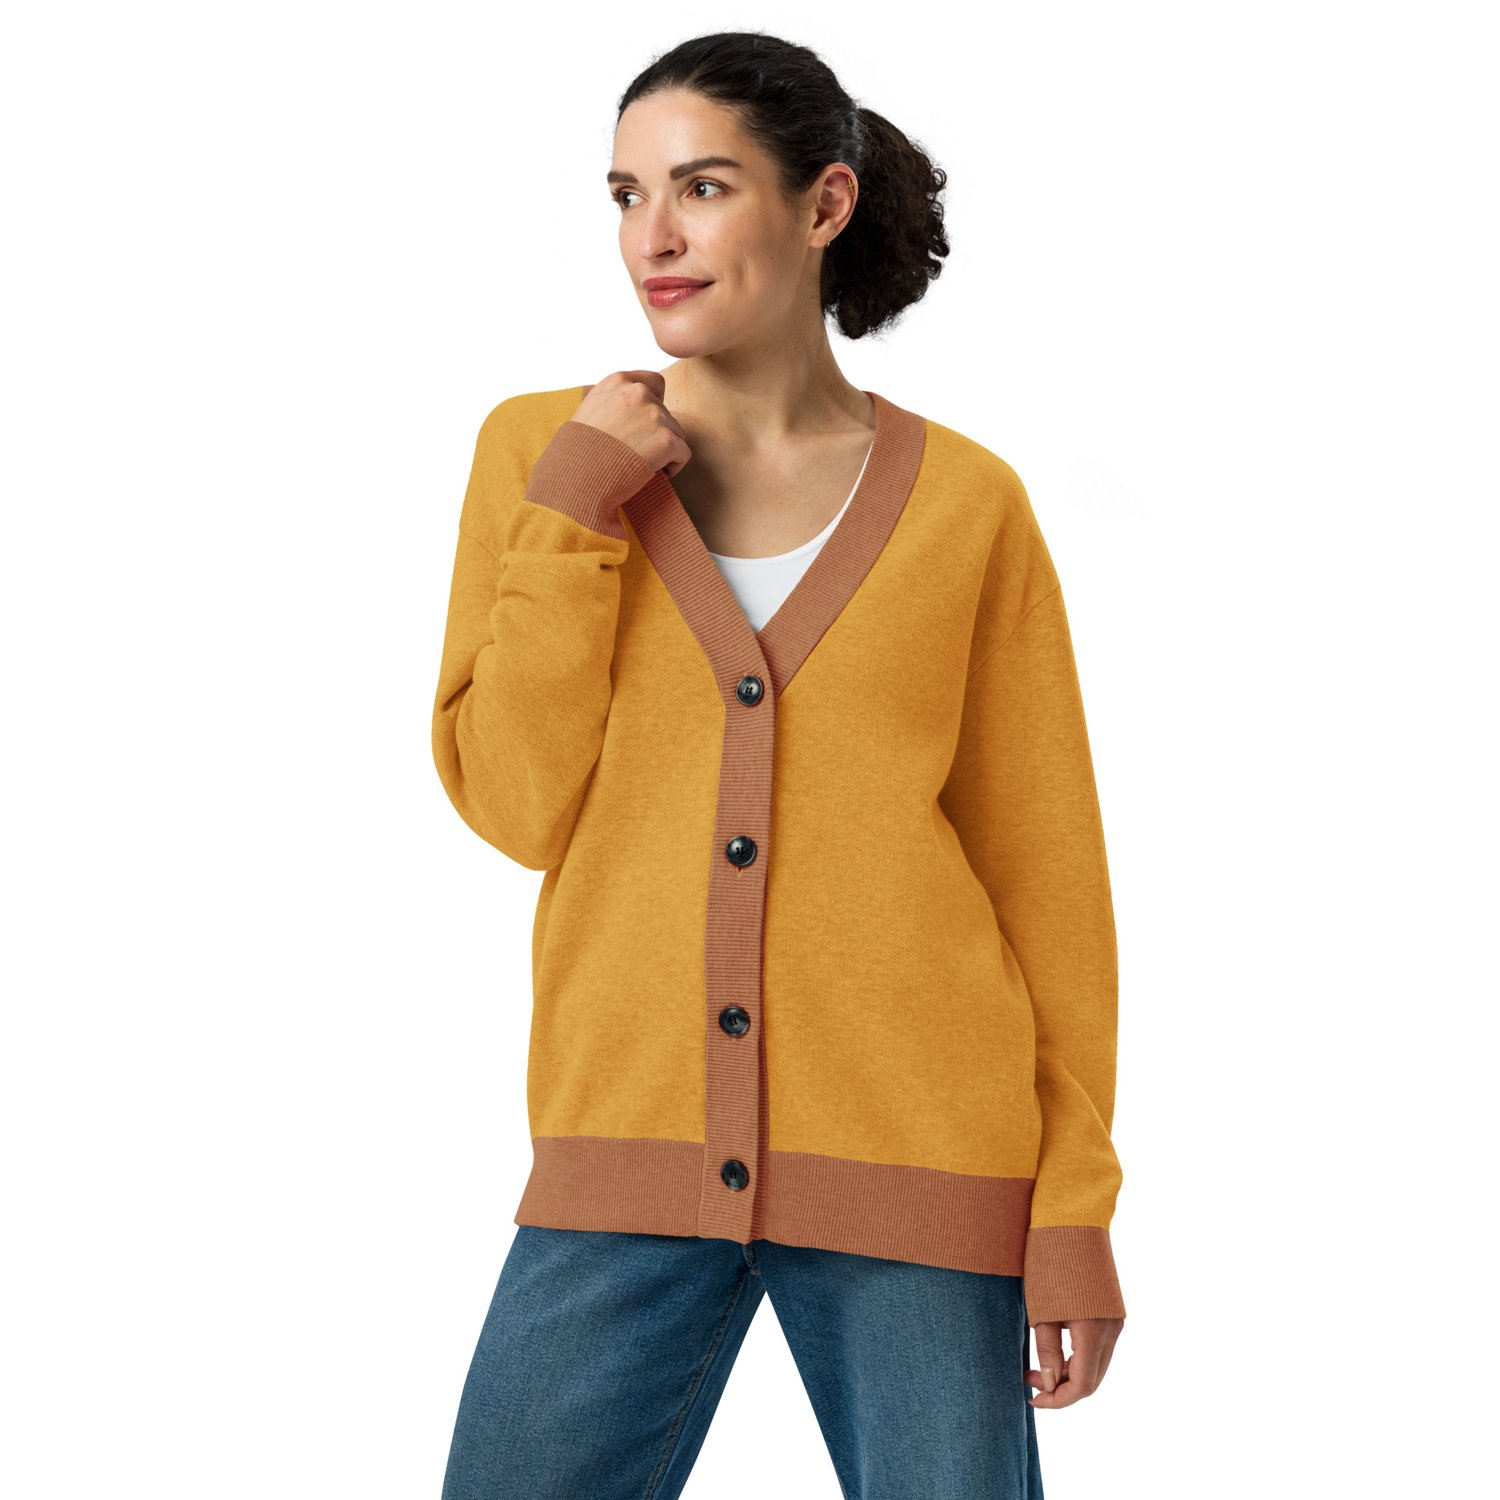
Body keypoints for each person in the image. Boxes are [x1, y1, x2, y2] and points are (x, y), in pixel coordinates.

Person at [430, 29, 1125, 1500]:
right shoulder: (542, 455)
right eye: (625, 195)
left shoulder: (969, 506)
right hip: (625, 1147)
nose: (653, 238)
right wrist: (576, 510)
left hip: (924, 1160)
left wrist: (1072, 1202)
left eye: (701, 187)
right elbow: (514, 801)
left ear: (824, 204)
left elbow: (1045, 883)